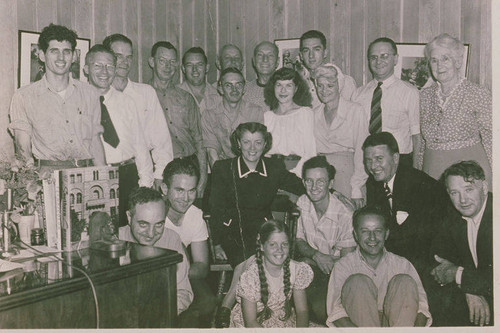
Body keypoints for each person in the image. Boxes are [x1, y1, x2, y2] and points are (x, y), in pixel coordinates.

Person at [210, 122, 305, 327]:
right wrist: (216, 242)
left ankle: (226, 305)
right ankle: (231, 306)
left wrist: (321, 192)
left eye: (258, 142)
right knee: (254, 255)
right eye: (246, 142)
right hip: (231, 228)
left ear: (265, 144)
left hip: (262, 227)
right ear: (238, 143)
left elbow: (300, 186)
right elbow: (215, 207)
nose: (252, 148)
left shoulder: (273, 167)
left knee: (257, 251)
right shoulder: (223, 168)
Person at [362, 132, 451, 320]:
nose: (373, 166)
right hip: (401, 257)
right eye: (368, 160)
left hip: (428, 260)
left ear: (395, 158)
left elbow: (429, 237)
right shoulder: (373, 183)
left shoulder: (421, 185)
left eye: (379, 159)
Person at [9, 24, 105, 171]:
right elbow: (23, 149)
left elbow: (95, 141)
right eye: (54, 51)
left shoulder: (90, 94)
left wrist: (104, 177)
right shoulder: (23, 96)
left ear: (74, 56)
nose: (61, 57)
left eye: (66, 52)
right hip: (47, 176)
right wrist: (29, 179)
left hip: (86, 173)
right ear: (42, 55)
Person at [326, 206, 432, 327]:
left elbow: (422, 309)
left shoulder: (402, 264)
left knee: (404, 281)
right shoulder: (343, 266)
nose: (372, 237)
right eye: (365, 231)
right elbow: (336, 312)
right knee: (357, 282)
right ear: (355, 235)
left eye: (378, 231)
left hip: (399, 324)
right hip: (360, 326)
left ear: (386, 234)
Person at [84, 44, 153, 227]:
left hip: (127, 175)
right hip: (94, 177)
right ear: (86, 69)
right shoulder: (79, 101)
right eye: (97, 66)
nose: (104, 72)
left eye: (109, 66)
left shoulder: (127, 101)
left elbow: (140, 144)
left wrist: (145, 184)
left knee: (126, 231)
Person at [418, 33, 491, 189]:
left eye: (446, 59)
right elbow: (423, 145)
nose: (439, 66)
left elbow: (492, 139)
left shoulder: (477, 93)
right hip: (432, 172)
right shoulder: (424, 96)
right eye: (434, 60)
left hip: (468, 175)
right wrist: (418, 175)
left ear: (458, 61)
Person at [103, 34, 174, 191]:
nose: (124, 62)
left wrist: (159, 175)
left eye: (129, 57)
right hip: (103, 172)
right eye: (118, 56)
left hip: (139, 171)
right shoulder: (97, 95)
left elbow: (161, 140)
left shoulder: (145, 93)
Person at [430, 161, 492, 326]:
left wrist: (458, 275)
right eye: (454, 193)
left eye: (468, 190)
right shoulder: (453, 217)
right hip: (479, 293)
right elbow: (438, 258)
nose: (462, 200)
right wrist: (467, 288)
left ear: (484, 187)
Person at [295, 156, 356, 324]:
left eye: (320, 182)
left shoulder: (345, 213)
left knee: (326, 312)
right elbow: (298, 240)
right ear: (303, 182)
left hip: (339, 273)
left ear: (330, 184)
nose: (314, 187)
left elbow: (346, 262)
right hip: (315, 267)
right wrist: (316, 255)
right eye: (309, 181)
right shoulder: (302, 203)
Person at [119, 187, 193, 315]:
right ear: (129, 217)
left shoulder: (172, 239)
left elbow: (183, 291)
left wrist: (160, 313)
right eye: (143, 224)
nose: (151, 234)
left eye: (159, 224)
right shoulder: (116, 240)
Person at [159, 158, 216, 328]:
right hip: (157, 278)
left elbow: (202, 266)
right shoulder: (154, 213)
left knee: (208, 301)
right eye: (179, 190)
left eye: (191, 191)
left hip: (182, 276)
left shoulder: (195, 215)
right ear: (164, 188)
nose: (186, 198)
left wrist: (180, 276)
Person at [149, 41, 207, 197]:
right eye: (162, 61)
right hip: (157, 169)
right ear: (152, 62)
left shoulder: (186, 98)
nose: (168, 66)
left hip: (188, 165)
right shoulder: (142, 96)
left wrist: (202, 180)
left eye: (172, 61)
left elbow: (199, 140)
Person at [352, 37, 421, 168]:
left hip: (399, 162)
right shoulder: (358, 94)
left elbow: (416, 136)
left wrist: (416, 169)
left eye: (384, 56)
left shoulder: (409, 92)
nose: (378, 61)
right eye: (373, 57)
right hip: (367, 162)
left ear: (395, 59)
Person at [230, 220, 313, 327]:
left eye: (284, 244)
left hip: (282, 317)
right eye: (273, 244)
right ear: (261, 246)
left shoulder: (297, 270)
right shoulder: (251, 276)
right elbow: (250, 322)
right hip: (255, 323)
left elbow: (302, 311)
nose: (280, 250)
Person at [313, 64, 368, 205]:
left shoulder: (355, 110)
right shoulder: (314, 113)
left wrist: (356, 188)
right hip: (320, 175)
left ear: (339, 86)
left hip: (347, 176)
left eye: (330, 85)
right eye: (320, 86)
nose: (324, 91)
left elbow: (362, 151)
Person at [202, 68, 264, 167]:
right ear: (220, 89)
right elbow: (211, 153)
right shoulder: (209, 115)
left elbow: (256, 149)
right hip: (223, 168)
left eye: (238, 85)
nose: (234, 90)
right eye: (228, 85)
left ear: (244, 89)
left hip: (250, 167)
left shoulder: (255, 112)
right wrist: (221, 177)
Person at [263, 67, 316, 177]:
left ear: (296, 89)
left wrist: (293, 175)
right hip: (272, 172)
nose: (283, 90)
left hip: (297, 172)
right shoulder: (268, 116)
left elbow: (310, 152)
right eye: (279, 85)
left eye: (288, 85)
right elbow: (265, 153)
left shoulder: (304, 113)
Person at [298, 30, 357, 107]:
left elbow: (352, 113)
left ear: (325, 53)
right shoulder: (297, 84)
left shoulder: (346, 82)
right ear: (301, 56)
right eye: (306, 50)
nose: (311, 55)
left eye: (316, 49)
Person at [178, 47, 220, 114]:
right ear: (183, 69)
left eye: (199, 65)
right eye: (189, 65)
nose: (195, 69)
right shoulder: (174, 94)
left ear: (207, 68)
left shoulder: (219, 95)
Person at [245, 41, 280, 110]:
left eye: (270, 55)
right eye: (260, 55)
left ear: (277, 61)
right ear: (254, 61)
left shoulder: (286, 89)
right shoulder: (244, 91)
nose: (265, 59)